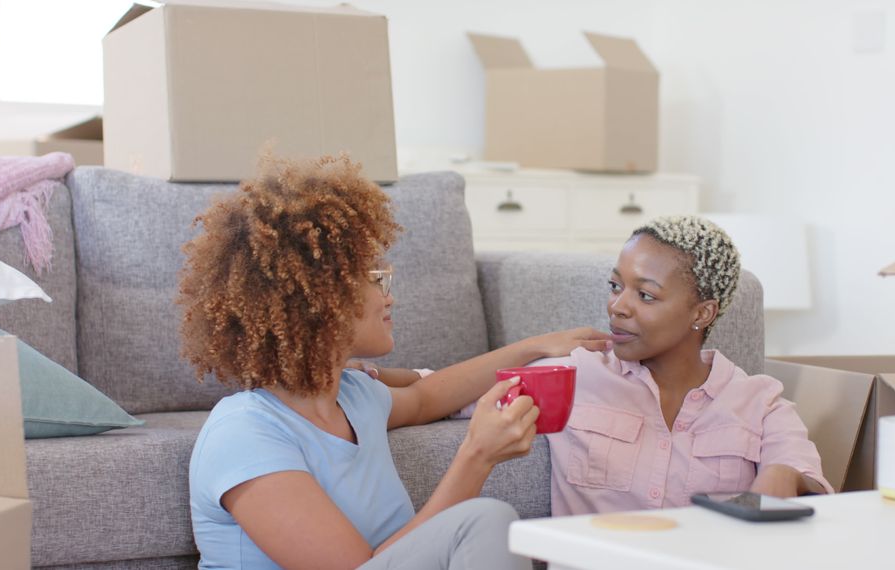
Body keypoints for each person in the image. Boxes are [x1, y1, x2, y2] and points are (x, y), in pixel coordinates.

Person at [178, 154, 609, 569]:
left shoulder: (356, 397)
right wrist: (477, 456)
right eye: (375, 278)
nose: (390, 296)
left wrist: (533, 346)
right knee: (484, 520)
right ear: (320, 299)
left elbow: (428, 395)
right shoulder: (243, 434)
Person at [534, 215, 833, 516]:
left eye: (646, 295)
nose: (618, 306)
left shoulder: (759, 403)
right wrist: (536, 345)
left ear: (702, 314)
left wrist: (785, 475)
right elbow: (484, 388)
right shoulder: (576, 374)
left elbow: (818, 492)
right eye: (615, 286)